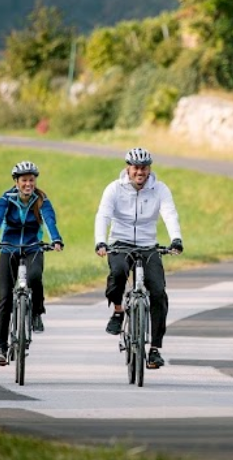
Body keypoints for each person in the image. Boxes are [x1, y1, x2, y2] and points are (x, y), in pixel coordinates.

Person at [94, 147, 183, 369]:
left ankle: (154, 349)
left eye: (143, 168)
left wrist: (176, 239)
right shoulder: (114, 189)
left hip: (148, 245)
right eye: (135, 168)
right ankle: (117, 310)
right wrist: (100, 241)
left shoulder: (160, 189)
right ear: (128, 168)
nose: (140, 172)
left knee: (159, 293)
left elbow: (169, 213)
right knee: (117, 273)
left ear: (149, 168)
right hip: (120, 242)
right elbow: (103, 215)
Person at [0, 161, 63, 366]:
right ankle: (0, 348)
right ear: (16, 182)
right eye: (24, 180)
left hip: (33, 247)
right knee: (5, 299)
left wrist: (55, 239)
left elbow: (50, 220)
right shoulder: (5, 200)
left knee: (35, 277)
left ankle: (36, 311)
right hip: (9, 248)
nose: (28, 184)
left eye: (31, 180)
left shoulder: (41, 200)